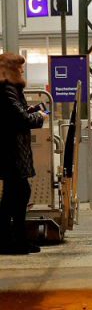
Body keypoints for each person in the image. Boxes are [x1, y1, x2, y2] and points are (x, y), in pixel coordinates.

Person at [0, 54, 47, 255]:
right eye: (19, 67)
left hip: (12, 150)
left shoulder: (11, 89)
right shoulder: (6, 89)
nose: (22, 70)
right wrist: (39, 116)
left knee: (14, 195)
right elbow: (19, 119)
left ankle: (14, 240)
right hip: (10, 151)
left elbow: (17, 113)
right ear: (10, 69)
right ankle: (13, 241)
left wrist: (29, 110)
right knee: (18, 195)